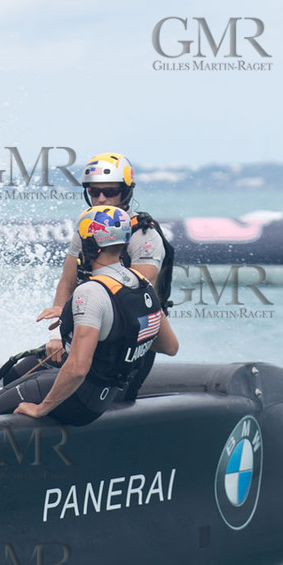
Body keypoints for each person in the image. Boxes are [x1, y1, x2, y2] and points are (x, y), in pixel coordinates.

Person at [0, 206, 177, 425]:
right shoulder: (142, 283)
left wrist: (40, 409)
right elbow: (170, 346)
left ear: (91, 246)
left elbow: (77, 369)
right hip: (104, 393)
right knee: (24, 372)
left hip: (82, 402)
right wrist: (114, 341)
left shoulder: (90, 292)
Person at [37, 152, 175, 399]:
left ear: (126, 191)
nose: (101, 198)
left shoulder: (144, 236)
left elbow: (133, 300)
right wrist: (56, 335)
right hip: (89, 332)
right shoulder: (87, 226)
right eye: (94, 192)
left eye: (109, 191)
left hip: (130, 341)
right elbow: (66, 283)